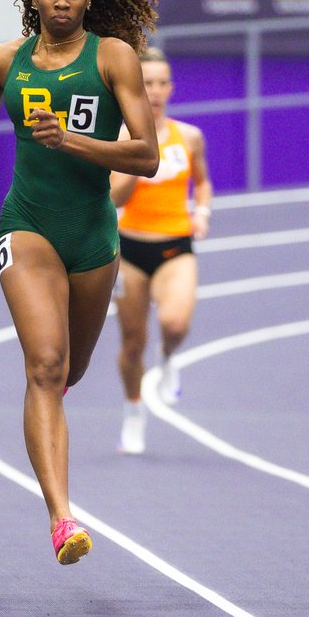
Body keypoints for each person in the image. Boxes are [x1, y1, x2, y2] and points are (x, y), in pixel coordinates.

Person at [0, 0, 159, 564]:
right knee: (45, 368)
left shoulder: (113, 58)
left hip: (93, 233)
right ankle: (62, 518)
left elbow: (147, 155)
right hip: (26, 223)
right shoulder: (4, 62)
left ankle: (50, 433)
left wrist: (76, 141)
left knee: (71, 372)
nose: (61, 3)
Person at [110, 47, 212, 455]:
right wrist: (136, 167)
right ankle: (134, 414)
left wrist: (201, 212)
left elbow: (202, 181)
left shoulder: (188, 136)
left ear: (170, 87)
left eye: (161, 83)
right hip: (130, 247)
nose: (154, 91)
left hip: (176, 243)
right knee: (132, 343)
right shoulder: (119, 137)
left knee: (174, 322)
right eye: (146, 83)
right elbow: (113, 198)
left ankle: (169, 356)